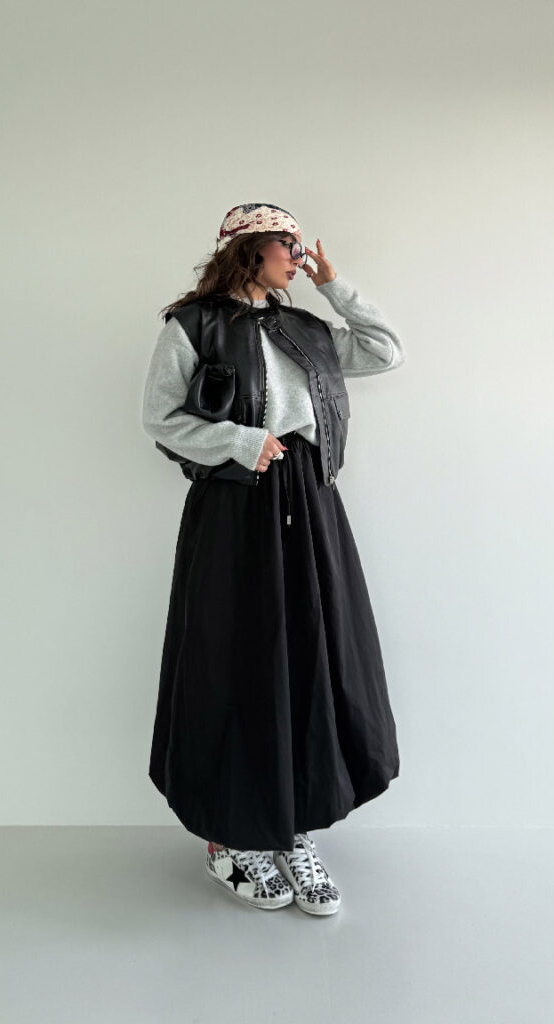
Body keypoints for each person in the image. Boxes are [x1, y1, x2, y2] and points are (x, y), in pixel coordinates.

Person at [141, 202, 405, 915]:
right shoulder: (192, 325)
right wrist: (238, 442)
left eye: (296, 244)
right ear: (249, 249)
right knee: (233, 655)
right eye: (286, 243)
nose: (297, 253)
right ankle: (232, 837)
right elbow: (160, 416)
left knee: (309, 655)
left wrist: (334, 286)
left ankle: (291, 826)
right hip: (236, 502)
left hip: (310, 501)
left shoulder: (308, 329)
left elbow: (385, 350)